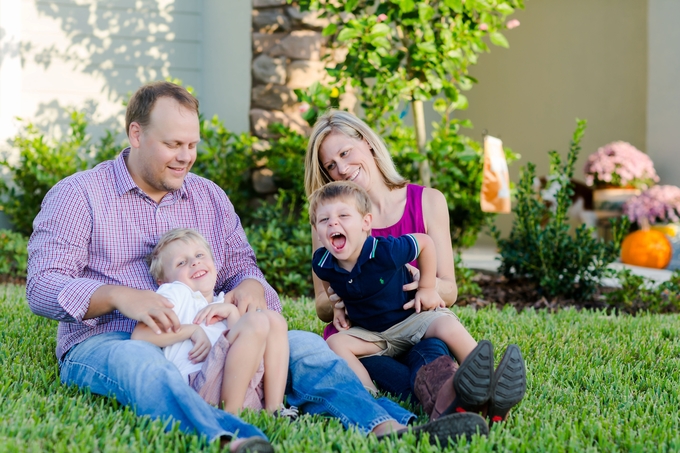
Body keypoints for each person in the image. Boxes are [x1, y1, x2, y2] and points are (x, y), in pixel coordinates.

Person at [27, 81, 489, 453]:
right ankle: (228, 436)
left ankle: (387, 426)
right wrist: (118, 296)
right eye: (173, 144)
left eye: (192, 144)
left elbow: (244, 269)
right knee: (141, 365)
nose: (186, 156)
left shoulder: (207, 196)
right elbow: (43, 288)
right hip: (111, 338)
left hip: (212, 334)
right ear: (136, 135)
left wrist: (249, 287)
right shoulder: (78, 195)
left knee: (306, 346)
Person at [304, 109, 526, 423]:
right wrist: (336, 301)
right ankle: (469, 405)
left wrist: (427, 283)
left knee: (432, 351)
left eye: (345, 153)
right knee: (396, 371)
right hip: (364, 337)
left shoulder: (428, 201)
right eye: (331, 165)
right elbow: (322, 304)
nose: (342, 168)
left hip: (416, 326)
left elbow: (448, 290)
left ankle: (474, 397)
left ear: (367, 142)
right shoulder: (329, 222)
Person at [310, 180, 488, 402]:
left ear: (366, 222)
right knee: (336, 343)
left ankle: (482, 378)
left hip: (411, 320)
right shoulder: (323, 260)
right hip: (373, 334)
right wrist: (337, 307)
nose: (333, 224)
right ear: (317, 231)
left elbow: (425, 242)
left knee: (446, 324)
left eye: (343, 216)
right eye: (324, 220)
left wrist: (426, 287)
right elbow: (328, 279)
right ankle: (367, 394)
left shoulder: (385, 250)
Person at [131, 228, 289, 415]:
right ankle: (230, 416)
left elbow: (246, 344)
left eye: (199, 255)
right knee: (257, 321)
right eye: (181, 262)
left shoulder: (221, 301)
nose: (195, 262)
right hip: (201, 384)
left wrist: (231, 312)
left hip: (242, 386)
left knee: (274, 320)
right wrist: (191, 331)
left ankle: (275, 409)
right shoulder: (176, 293)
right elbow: (140, 336)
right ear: (163, 281)